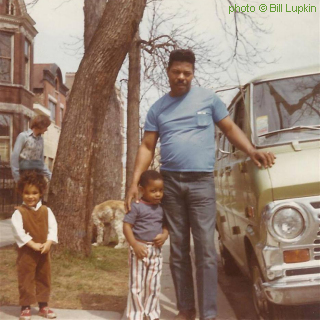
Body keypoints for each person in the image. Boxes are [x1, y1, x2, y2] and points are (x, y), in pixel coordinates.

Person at [125, 49, 276, 320]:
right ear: (168, 72)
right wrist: (135, 181)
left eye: (187, 73)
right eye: (176, 72)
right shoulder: (158, 108)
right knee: (179, 249)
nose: (181, 77)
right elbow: (148, 145)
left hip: (201, 183)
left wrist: (252, 151)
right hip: (170, 183)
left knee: (206, 248)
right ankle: (186, 309)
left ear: (193, 74)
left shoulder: (209, 99)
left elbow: (230, 129)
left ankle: (208, 313)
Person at [11, 171, 58, 320]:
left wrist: (49, 242)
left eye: (34, 193)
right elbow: (18, 232)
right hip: (27, 252)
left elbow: (53, 228)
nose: (30, 196)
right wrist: (31, 244)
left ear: (40, 193)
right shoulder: (19, 213)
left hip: (44, 251)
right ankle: (25, 307)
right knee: (26, 278)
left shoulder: (46, 211)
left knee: (44, 277)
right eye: (26, 193)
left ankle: (43, 305)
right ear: (21, 193)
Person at [123, 170, 169, 320]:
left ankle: (151, 314)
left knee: (153, 285)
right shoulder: (136, 206)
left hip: (155, 251)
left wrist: (164, 235)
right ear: (142, 190)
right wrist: (134, 245)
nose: (158, 194)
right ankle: (135, 314)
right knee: (136, 285)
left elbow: (166, 225)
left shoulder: (162, 207)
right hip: (139, 250)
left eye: (160, 190)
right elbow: (127, 226)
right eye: (153, 190)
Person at [11, 115, 52, 182]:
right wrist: (17, 177)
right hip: (24, 174)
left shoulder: (41, 140)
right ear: (40, 125)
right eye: (46, 127)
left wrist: (49, 175)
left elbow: (41, 161)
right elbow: (14, 156)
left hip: (37, 174)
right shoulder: (24, 136)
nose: (46, 129)